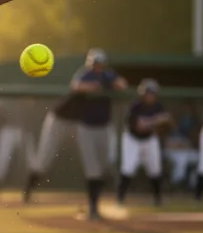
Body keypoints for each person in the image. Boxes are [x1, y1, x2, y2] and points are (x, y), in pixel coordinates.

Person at [24, 49, 127, 219]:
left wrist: (111, 83)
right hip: (61, 118)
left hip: (81, 122)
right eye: (96, 65)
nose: (98, 68)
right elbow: (77, 85)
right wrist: (95, 86)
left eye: (101, 65)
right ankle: (28, 190)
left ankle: (95, 204)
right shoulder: (85, 74)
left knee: (100, 163)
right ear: (90, 64)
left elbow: (121, 83)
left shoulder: (108, 75)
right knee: (44, 158)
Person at [117, 79, 171, 206]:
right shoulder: (135, 107)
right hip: (132, 139)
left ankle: (158, 199)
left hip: (149, 139)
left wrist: (163, 122)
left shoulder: (158, 106)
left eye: (152, 93)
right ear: (142, 94)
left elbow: (168, 123)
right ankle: (120, 198)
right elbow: (138, 127)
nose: (150, 96)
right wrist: (155, 121)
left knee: (155, 168)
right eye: (148, 93)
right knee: (128, 167)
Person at [164, 101, 200, 189]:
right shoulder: (171, 127)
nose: (186, 111)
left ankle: (193, 185)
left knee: (200, 159)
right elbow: (166, 143)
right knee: (181, 159)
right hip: (172, 152)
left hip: (188, 151)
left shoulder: (193, 123)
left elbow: (194, 142)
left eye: (188, 110)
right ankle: (176, 184)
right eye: (184, 109)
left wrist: (186, 144)